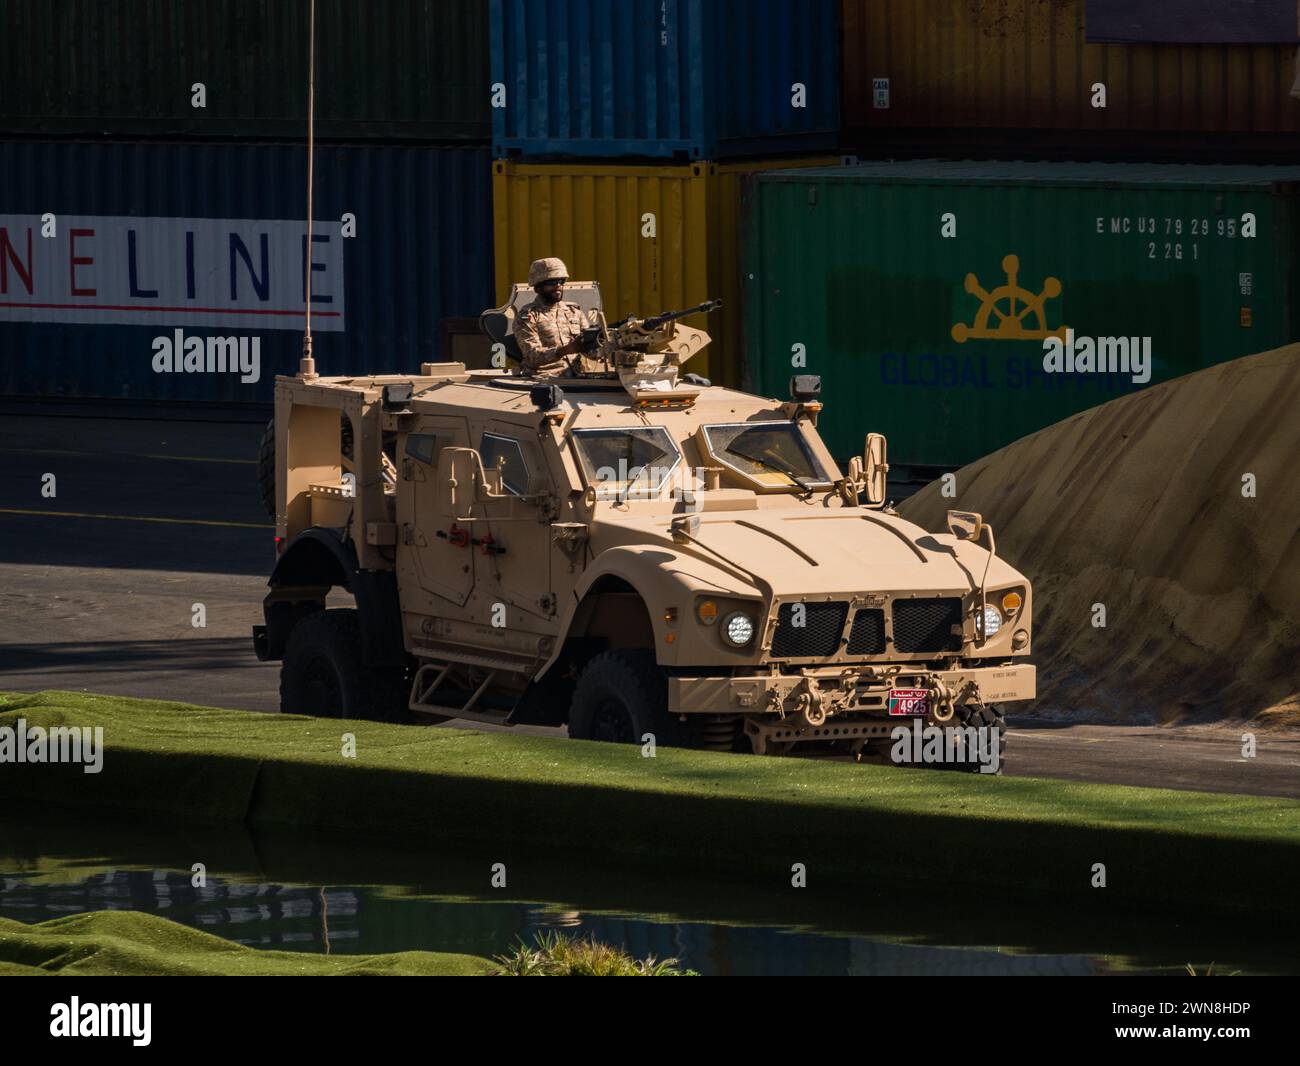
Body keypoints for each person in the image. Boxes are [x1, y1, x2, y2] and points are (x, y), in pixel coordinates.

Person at [514, 257, 594, 377]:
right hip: (544, 378)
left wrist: (604, 344)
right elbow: (531, 356)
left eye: (561, 281)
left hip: (578, 376)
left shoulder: (574, 311)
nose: (558, 286)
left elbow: (590, 349)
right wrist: (565, 350)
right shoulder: (528, 316)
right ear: (538, 286)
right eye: (551, 282)